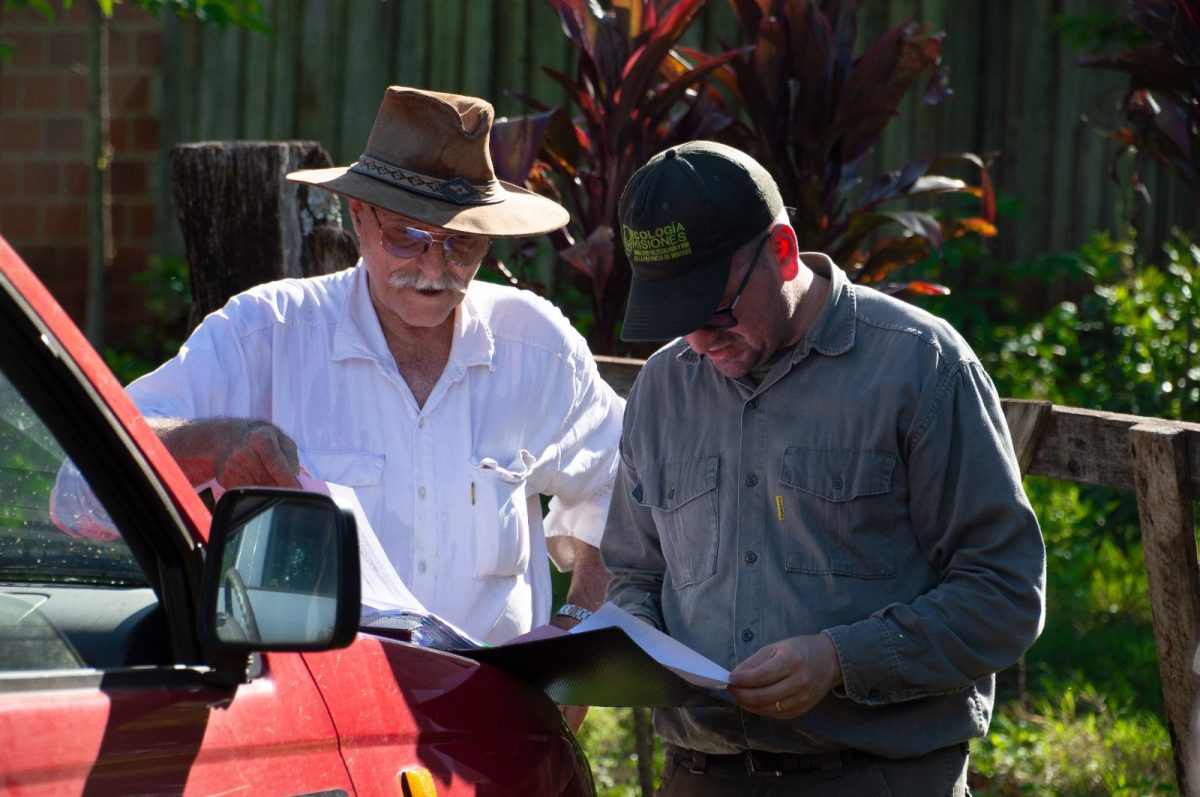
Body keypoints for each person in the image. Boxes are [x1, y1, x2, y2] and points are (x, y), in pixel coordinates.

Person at [601, 140, 1046, 795]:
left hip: (874, 776)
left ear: (782, 250)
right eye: (678, 319)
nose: (700, 340)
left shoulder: (920, 368)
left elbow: (1005, 593)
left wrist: (840, 659)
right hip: (700, 776)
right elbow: (636, 573)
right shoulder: (665, 387)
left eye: (717, 310)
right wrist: (631, 642)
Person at [122, 86, 624, 650]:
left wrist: (577, 631)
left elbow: (624, 486)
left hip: (491, 719)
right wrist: (212, 442)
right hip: (319, 716)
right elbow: (89, 475)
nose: (436, 267)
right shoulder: (265, 335)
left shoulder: (536, 347)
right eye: (408, 237)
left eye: (462, 243)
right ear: (358, 217)